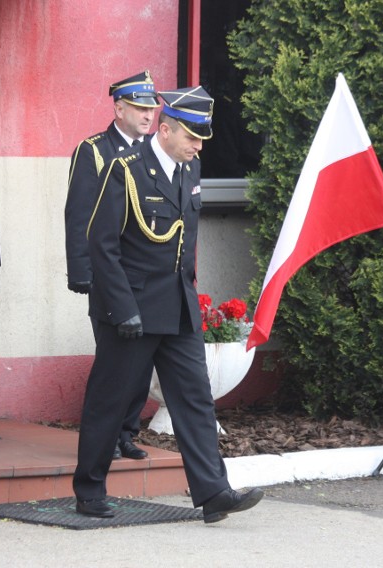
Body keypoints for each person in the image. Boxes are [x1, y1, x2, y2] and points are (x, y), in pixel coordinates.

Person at [72, 85, 264, 523]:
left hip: (177, 307)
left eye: (201, 140)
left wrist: (190, 306)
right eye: (192, 137)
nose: (199, 147)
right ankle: (89, 489)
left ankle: (214, 491)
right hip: (131, 308)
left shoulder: (189, 171)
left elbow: (184, 249)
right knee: (112, 399)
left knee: (195, 398)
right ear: (167, 128)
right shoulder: (125, 171)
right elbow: (102, 246)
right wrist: (122, 309)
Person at [64, 71, 161, 461]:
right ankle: (105, 438)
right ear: (118, 108)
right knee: (114, 359)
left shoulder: (156, 151)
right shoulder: (94, 150)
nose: (148, 115)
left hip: (148, 276)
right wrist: (81, 271)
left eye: (152, 108)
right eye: (139, 107)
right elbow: (79, 215)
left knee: (141, 362)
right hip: (109, 274)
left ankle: (126, 431)